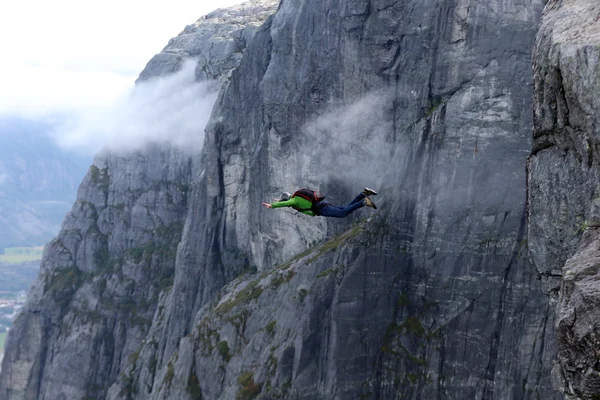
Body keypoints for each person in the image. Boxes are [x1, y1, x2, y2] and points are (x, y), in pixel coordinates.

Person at [262, 187, 377, 218]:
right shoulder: (297, 197)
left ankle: (363, 202)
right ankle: (363, 194)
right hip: (324, 204)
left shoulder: (294, 201)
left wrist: (272, 205)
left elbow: (285, 203)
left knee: (343, 214)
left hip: (322, 209)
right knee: (345, 209)